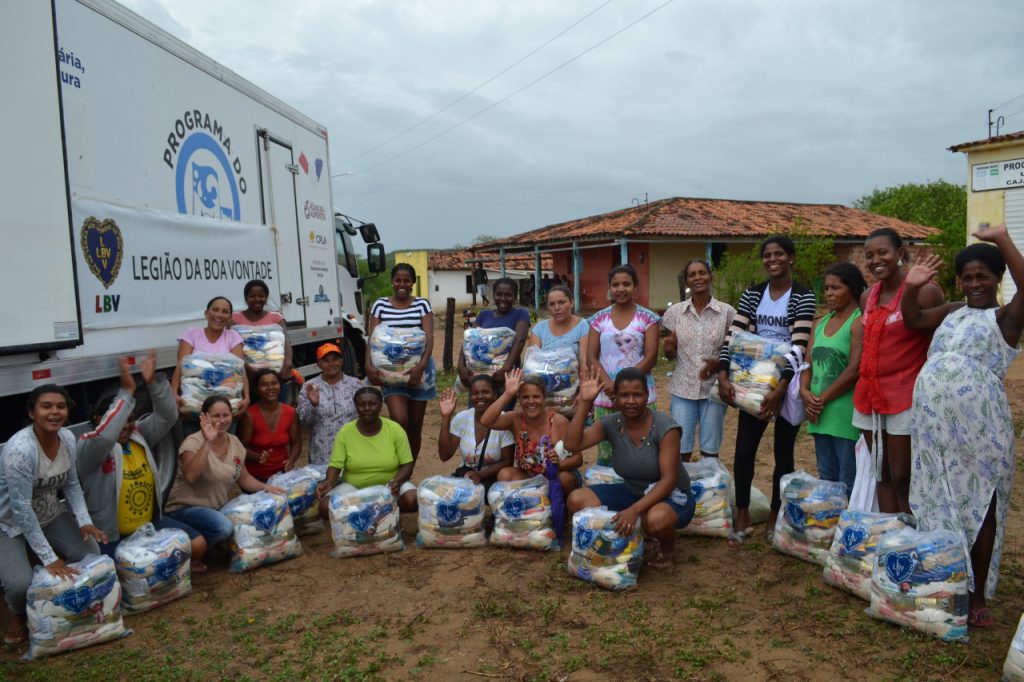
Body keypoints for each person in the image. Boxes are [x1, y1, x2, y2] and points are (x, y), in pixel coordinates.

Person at [902, 224, 1024, 628]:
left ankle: (975, 596)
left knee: (981, 503)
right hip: (934, 432)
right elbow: (913, 319)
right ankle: (943, 584)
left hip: (980, 431)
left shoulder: (1005, 317)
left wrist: (1002, 239)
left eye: (982, 276)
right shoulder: (953, 312)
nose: (974, 284)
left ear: (998, 278)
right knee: (939, 501)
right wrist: (912, 285)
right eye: (967, 277)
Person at [717, 235, 816, 547]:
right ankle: (742, 513)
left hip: (787, 385)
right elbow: (734, 336)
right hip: (754, 382)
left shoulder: (803, 296)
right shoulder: (753, 293)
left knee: (783, 453)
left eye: (779, 254)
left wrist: (781, 388)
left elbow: (799, 347)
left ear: (791, 257)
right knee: (744, 450)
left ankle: (775, 514)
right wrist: (723, 372)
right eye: (767, 255)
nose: (772, 260)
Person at [0, 385, 106, 645]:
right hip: (9, 521)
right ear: (32, 413)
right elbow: (21, 509)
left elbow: (71, 484)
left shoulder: (67, 438)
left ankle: (71, 604)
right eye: (46, 406)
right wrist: (49, 557)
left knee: (91, 554)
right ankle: (18, 614)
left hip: (49, 513)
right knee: (19, 585)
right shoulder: (20, 450)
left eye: (61, 406)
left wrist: (84, 521)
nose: (54, 412)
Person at [853, 228, 945, 514]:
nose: (875, 260)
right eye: (869, 255)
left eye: (883, 252)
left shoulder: (925, 292)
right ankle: (889, 532)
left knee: (903, 476)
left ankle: (910, 532)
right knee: (880, 473)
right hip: (869, 396)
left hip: (905, 395)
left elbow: (937, 345)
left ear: (900, 253)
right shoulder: (867, 296)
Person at [565, 367, 695, 569]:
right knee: (576, 499)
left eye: (637, 395)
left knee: (656, 521)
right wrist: (585, 402)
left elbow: (669, 480)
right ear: (615, 398)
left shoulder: (665, 428)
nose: (631, 401)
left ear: (647, 395)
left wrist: (633, 511)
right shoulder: (611, 423)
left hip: (671, 496)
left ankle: (667, 545)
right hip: (633, 491)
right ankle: (639, 528)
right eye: (624, 395)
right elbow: (572, 444)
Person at [78, 352, 200, 559]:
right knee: (131, 568)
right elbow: (106, 436)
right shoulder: (90, 447)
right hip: (111, 535)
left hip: (148, 526)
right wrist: (126, 392)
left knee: (197, 545)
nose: (126, 426)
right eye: (120, 420)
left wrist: (153, 384)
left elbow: (167, 417)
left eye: (130, 420)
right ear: (101, 420)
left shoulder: (139, 435)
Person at [163, 396, 283, 572]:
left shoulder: (234, 442)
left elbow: (244, 478)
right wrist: (208, 442)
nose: (222, 420)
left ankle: (207, 545)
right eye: (216, 416)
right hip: (184, 507)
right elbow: (191, 475)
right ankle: (192, 554)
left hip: (215, 508)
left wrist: (268, 488)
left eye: (226, 415)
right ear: (204, 417)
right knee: (224, 527)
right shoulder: (193, 442)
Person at [799, 263, 866, 496]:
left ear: (853, 289)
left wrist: (820, 400)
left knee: (848, 480)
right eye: (826, 288)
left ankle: (846, 519)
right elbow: (807, 363)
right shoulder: (820, 323)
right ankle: (829, 517)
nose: (829, 293)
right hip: (818, 412)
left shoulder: (858, 322)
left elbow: (854, 370)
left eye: (835, 288)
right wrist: (804, 392)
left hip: (843, 413)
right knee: (826, 477)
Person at [661, 260, 736, 461]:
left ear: (710, 276)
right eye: (692, 274)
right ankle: (681, 481)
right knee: (680, 449)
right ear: (687, 281)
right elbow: (670, 354)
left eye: (702, 273)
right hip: (683, 388)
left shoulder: (727, 313)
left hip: (714, 389)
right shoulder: (675, 313)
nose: (697, 278)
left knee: (710, 451)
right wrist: (669, 349)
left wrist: (719, 364)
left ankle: (709, 480)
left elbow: (736, 349)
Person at [586, 264, 660, 465]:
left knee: (643, 448)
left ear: (635, 287)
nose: (620, 289)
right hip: (606, 393)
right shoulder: (598, 319)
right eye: (615, 285)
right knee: (607, 451)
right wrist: (610, 386)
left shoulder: (648, 318)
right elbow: (591, 356)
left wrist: (624, 388)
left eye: (626, 284)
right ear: (609, 287)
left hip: (639, 394)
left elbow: (651, 356)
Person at [366, 263, 435, 461]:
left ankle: (408, 470)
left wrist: (421, 367)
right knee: (399, 419)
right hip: (390, 373)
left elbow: (429, 338)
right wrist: (368, 365)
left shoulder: (422, 305)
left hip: (419, 373)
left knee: (414, 425)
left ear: (413, 283)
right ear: (392, 281)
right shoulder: (380, 305)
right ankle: (396, 462)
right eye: (398, 280)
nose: (402, 285)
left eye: (407, 281)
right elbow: (372, 339)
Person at [315, 387, 418, 515]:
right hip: (355, 488)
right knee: (325, 507)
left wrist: (396, 482)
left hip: (390, 487)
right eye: (361, 405)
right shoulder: (345, 432)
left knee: (412, 499)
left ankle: (368, 510)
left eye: (372, 404)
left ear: (381, 406)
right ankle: (376, 509)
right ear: (356, 407)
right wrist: (329, 481)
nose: (367, 408)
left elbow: (407, 463)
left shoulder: (395, 429)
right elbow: (335, 465)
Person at [480, 369, 583, 496]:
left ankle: (562, 507)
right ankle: (533, 503)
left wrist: (558, 464)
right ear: (519, 399)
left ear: (544, 397)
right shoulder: (515, 419)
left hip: (558, 474)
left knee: (564, 479)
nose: (531, 401)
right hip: (530, 476)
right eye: (525, 397)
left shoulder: (559, 422)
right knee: (505, 475)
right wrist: (508, 394)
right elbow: (486, 421)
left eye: (536, 396)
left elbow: (578, 458)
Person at [172, 296, 249, 424]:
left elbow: (240, 370)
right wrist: (174, 394)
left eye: (225, 311)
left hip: (224, 411)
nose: (219, 315)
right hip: (195, 408)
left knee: (224, 437)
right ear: (206, 313)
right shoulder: (191, 334)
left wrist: (247, 397)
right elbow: (180, 365)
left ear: (230, 317)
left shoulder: (232, 336)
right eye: (215, 310)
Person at [437, 377, 515, 495]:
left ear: (495, 395)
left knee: (489, 497)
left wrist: (480, 474)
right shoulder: (462, 418)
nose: (480, 396)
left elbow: (508, 461)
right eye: (475, 393)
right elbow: (444, 455)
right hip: (466, 475)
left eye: (485, 392)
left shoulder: (504, 420)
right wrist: (446, 417)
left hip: (493, 478)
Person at [459, 277, 531, 391]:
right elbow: (469, 340)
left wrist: (505, 369)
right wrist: (461, 366)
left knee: (504, 402)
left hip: (505, 377)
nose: (503, 298)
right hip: (479, 377)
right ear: (493, 295)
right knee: (480, 401)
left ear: (515, 297)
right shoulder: (484, 315)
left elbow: (520, 340)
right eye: (499, 294)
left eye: (508, 295)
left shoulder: (520, 314)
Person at [297, 342, 362, 466]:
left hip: (352, 448)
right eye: (325, 361)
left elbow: (365, 414)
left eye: (335, 359)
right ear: (318, 364)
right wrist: (313, 405)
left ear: (342, 361)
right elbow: (304, 420)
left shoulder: (355, 384)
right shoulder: (310, 386)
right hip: (322, 452)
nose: (331, 364)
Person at [231, 279, 294, 397]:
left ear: (266, 298)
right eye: (252, 296)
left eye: (261, 296)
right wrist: (247, 368)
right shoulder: (235, 318)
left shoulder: (276, 317)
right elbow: (230, 345)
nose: (257, 299)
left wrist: (288, 363)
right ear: (246, 298)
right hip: (247, 377)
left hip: (275, 376)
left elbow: (287, 341)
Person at [238, 369, 301, 481]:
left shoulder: (290, 412)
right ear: (256, 390)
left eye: (274, 383)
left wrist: (291, 460)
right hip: (255, 477)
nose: (270, 388)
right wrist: (257, 457)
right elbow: (240, 447)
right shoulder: (249, 415)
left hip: (282, 475)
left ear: (280, 386)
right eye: (264, 385)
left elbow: (296, 443)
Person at [528, 285, 590, 375]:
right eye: (552, 304)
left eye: (561, 302)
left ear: (572, 302)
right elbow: (532, 365)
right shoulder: (539, 329)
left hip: (573, 381)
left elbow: (584, 363)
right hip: (542, 381)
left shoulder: (583, 327)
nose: (556, 308)